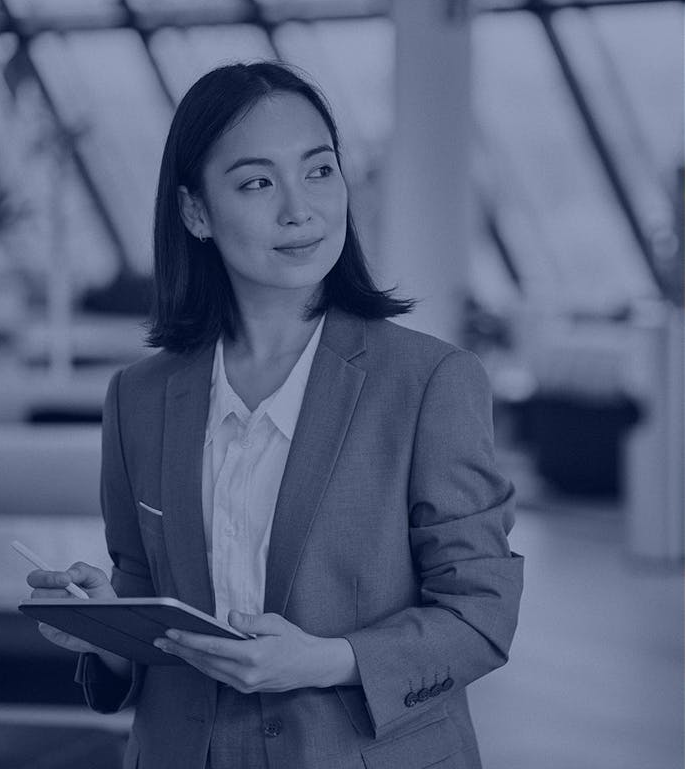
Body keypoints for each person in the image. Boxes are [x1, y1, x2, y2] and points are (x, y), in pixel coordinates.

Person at [27, 61, 524, 769]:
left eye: (319, 171)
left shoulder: (430, 383)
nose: (301, 209)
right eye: (258, 182)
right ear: (196, 212)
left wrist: (327, 661)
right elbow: (146, 605)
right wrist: (107, 632)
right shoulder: (137, 399)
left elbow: (481, 615)